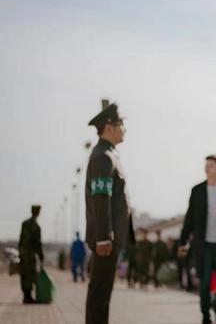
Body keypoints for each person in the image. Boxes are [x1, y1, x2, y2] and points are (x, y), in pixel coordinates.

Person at [85, 101, 135, 324]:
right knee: (100, 293)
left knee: (103, 293)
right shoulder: (102, 156)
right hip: (106, 239)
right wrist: (104, 237)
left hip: (111, 237)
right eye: (121, 124)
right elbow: (101, 198)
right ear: (108, 127)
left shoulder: (109, 154)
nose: (124, 129)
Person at [179, 155, 216, 324]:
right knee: (204, 282)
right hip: (204, 244)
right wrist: (183, 241)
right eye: (206, 165)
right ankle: (205, 316)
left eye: (211, 165)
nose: (207, 168)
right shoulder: (197, 190)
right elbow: (189, 217)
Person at [18, 205, 44, 304]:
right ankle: (28, 297)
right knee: (30, 275)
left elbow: (20, 239)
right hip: (30, 254)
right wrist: (41, 255)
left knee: (24, 274)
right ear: (38, 212)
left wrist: (20, 251)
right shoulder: (36, 226)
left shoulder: (25, 223)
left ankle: (26, 296)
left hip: (23, 253)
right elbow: (38, 243)